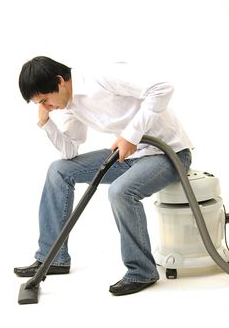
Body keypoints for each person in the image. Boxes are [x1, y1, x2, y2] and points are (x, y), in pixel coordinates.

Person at [14, 56, 193, 295]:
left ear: (60, 81)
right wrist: (47, 124)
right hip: (129, 156)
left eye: (45, 101)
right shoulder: (70, 106)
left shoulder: (101, 76)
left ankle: (142, 271)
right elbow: (70, 151)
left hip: (168, 153)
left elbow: (161, 88)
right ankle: (52, 258)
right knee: (59, 171)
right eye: (40, 104)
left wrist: (131, 135)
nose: (47, 107)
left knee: (120, 191)